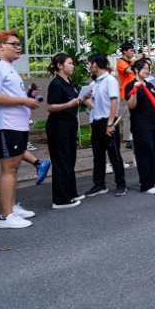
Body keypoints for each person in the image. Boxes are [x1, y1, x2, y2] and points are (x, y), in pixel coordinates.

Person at [0, 30, 40, 229]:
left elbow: (10, 94)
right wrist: (24, 100)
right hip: (6, 125)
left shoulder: (8, 67)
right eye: (14, 44)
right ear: (0, 45)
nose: (18, 47)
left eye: (19, 43)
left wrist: (28, 95)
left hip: (17, 124)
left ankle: (12, 207)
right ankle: (7, 215)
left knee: (13, 169)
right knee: (8, 169)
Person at [46, 53, 90, 209]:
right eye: (70, 63)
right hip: (59, 126)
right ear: (60, 66)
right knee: (61, 161)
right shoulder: (56, 84)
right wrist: (69, 104)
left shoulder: (69, 82)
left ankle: (71, 192)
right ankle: (60, 199)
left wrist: (83, 98)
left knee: (70, 160)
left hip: (70, 124)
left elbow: (75, 101)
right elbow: (50, 107)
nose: (73, 66)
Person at [84, 53, 127, 197]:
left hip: (108, 121)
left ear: (95, 64)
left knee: (114, 154)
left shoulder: (110, 80)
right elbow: (95, 105)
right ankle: (99, 184)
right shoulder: (94, 83)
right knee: (98, 155)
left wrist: (110, 123)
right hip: (96, 122)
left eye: (89, 63)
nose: (88, 66)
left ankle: (121, 184)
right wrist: (85, 100)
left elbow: (114, 102)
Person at [126, 60, 155, 194]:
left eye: (148, 69)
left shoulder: (149, 85)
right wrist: (135, 90)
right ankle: (146, 185)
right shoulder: (131, 85)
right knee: (145, 153)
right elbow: (131, 106)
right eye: (144, 68)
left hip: (152, 122)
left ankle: (151, 179)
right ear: (136, 70)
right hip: (140, 124)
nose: (147, 71)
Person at [117, 43, 142, 149]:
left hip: (134, 91)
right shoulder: (120, 62)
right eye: (131, 50)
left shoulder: (131, 62)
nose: (132, 52)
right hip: (125, 92)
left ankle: (134, 136)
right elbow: (130, 70)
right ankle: (128, 139)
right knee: (127, 116)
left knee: (134, 115)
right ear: (124, 51)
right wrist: (137, 60)